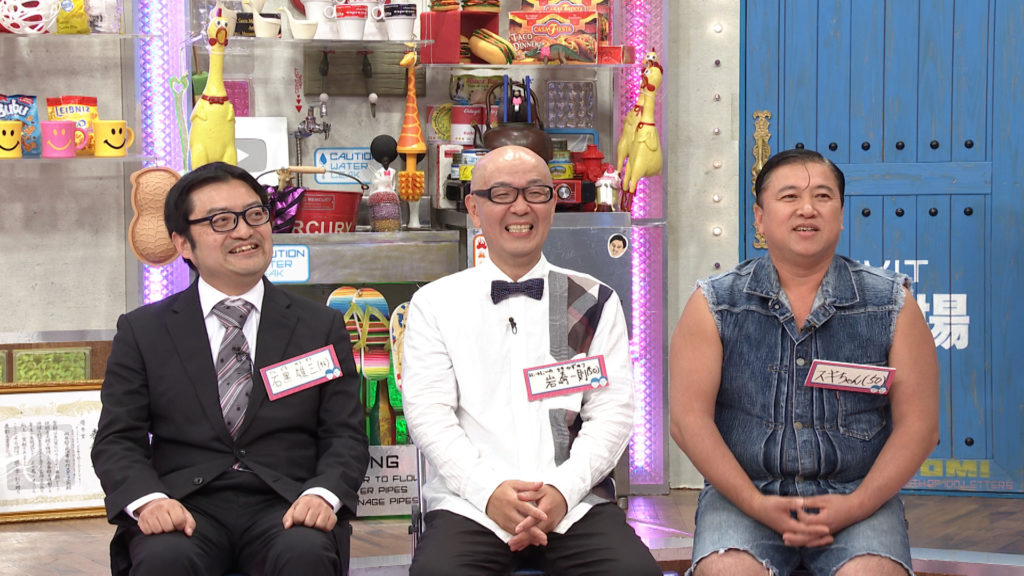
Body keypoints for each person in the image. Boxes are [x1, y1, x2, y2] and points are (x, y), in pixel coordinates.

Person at [91, 162, 369, 576]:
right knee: (164, 559)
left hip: (287, 502)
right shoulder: (143, 331)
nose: (244, 231)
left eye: (255, 214)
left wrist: (323, 494)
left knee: (305, 553)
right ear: (183, 244)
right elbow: (117, 439)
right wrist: (149, 501)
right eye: (221, 221)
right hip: (184, 503)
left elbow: (344, 434)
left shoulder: (319, 326)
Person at [669, 148, 939, 576]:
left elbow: (919, 426)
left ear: (841, 215)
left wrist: (857, 504)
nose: (807, 209)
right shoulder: (715, 303)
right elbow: (688, 421)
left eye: (823, 197)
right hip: (743, 495)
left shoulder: (892, 303)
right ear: (759, 218)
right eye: (790, 196)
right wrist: (756, 503)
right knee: (728, 571)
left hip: (858, 494)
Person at [401, 146, 661, 576]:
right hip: (471, 506)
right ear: (474, 208)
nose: (520, 207)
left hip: (574, 505)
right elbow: (429, 416)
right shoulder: (436, 305)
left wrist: (561, 490)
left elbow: (613, 412)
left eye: (536, 192)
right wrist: (489, 492)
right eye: (502, 193)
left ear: (553, 203)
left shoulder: (593, 300)